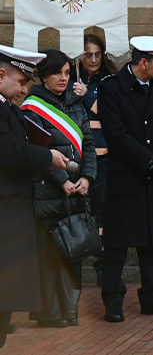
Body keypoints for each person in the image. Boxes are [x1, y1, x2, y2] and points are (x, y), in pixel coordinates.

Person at [97, 36, 153, 323]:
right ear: (143, 63)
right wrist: (149, 161)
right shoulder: (111, 88)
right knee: (116, 245)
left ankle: (152, 296)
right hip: (128, 177)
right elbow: (116, 134)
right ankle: (112, 299)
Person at [0, 46, 68, 349]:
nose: (25, 90)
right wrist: (47, 156)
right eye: (22, 82)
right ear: (1, 74)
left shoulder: (9, 109)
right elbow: (9, 151)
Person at [23, 50, 97, 327]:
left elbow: (88, 144)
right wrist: (61, 180)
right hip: (48, 191)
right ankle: (49, 314)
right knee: (50, 255)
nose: (63, 78)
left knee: (73, 252)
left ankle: (70, 311)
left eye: (67, 72)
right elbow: (34, 152)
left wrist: (87, 177)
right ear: (44, 75)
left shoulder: (77, 104)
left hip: (76, 190)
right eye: (58, 73)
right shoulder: (32, 106)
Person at [70, 34, 118, 286]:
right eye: (87, 54)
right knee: (78, 212)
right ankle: (75, 261)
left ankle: (102, 264)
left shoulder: (110, 80)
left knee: (101, 211)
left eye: (97, 54)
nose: (92, 59)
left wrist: (87, 95)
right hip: (74, 158)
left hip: (103, 155)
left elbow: (111, 113)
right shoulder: (69, 77)